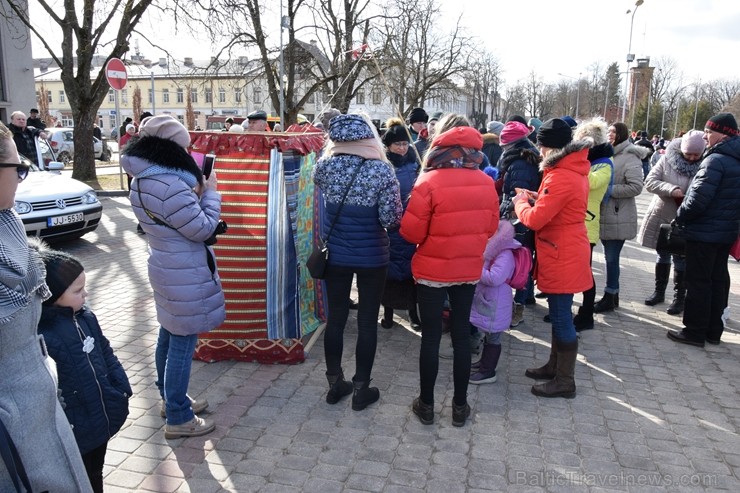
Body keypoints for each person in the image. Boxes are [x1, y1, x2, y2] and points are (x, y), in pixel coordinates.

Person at [0, 122, 93, 491]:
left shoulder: (7, 220)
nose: (22, 179)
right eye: (16, 168)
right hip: (12, 419)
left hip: (32, 402)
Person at [121, 115, 225, 438]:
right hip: (185, 271)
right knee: (183, 341)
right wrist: (210, 192)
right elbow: (203, 228)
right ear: (170, 150)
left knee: (169, 333)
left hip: (165, 266)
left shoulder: (143, 178)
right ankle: (179, 417)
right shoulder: (169, 185)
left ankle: (171, 399)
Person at [401, 118, 499, 427]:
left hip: (432, 269)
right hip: (467, 269)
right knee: (460, 336)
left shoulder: (428, 182)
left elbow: (411, 233)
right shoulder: (485, 182)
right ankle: (460, 406)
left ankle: (426, 404)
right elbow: (491, 227)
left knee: (430, 337)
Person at [312, 113, 403, 411]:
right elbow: (390, 220)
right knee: (366, 321)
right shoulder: (382, 171)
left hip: (335, 255)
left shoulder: (324, 167)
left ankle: (333, 384)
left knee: (336, 319)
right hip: (372, 257)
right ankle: (361, 388)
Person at [35, 244, 132, 493]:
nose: (86, 294)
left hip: (101, 414)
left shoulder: (86, 317)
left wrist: (120, 385)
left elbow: (105, 351)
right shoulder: (43, 334)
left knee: (95, 470)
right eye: (78, 290)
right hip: (75, 426)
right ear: (51, 295)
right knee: (80, 477)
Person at [513, 118, 591, 399]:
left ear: (550, 147)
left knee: (560, 317)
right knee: (561, 314)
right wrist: (536, 196)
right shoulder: (570, 169)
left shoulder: (561, 174)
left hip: (562, 252)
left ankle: (564, 380)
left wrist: (520, 202)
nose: (540, 151)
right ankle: (554, 366)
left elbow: (535, 219)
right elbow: (556, 204)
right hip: (564, 248)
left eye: (541, 145)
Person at [668, 113, 740, 347]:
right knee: (717, 281)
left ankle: (694, 331)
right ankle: (712, 331)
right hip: (726, 232)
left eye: (709, 131)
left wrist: (681, 217)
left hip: (704, 232)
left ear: (724, 133)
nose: (705, 135)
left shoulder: (715, 160)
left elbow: (697, 199)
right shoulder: (734, 158)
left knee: (698, 282)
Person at [638, 130, 705, 315]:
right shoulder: (668, 159)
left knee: (681, 259)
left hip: (688, 218)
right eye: (688, 154)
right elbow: (650, 181)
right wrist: (671, 189)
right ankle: (659, 292)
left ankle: (679, 298)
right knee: (663, 255)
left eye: (696, 155)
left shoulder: (707, 163)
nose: (692, 158)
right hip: (663, 214)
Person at [593, 122, 646, 313]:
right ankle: (612, 295)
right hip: (604, 213)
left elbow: (636, 186)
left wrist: (607, 191)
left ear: (622, 134)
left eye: (614, 132)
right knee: (608, 257)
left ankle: (610, 295)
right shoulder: (608, 153)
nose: (611, 135)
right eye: (609, 131)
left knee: (611, 258)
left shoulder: (630, 156)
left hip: (618, 214)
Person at [570, 118, 614, 332]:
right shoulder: (590, 161)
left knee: (584, 273)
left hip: (587, 225)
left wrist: (576, 164)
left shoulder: (604, 162)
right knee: (574, 271)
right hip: (577, 222)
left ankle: (586, 314)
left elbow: (593, 183)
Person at [498, 120, 541, 326]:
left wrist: (505, 217)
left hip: (518, 219)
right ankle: (526, 298)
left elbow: (517, 195)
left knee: (520, 263)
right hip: (526, 217)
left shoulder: (519, 163)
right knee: (526, 259)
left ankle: (517, 307)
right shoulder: (526, 157)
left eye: (504, 144)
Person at [379, 118, 420, 330]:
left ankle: (413, 312)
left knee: (411, 268)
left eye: (405, 144)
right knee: (391, 267)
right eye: (398, 144)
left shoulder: (416, 163)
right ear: (388, 146)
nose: (403, 148)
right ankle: (388, 313)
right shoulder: (384, 165)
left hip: (412, 222)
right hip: (391, 224)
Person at [468, 220, 519, 384]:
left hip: (497, 301)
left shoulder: (505, 254)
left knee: (494, 336)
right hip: (490, 299)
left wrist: (476, 269)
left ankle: (488, 371)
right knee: (489, 335)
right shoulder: (495, 250)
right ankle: (484, 363)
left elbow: (495, 277)